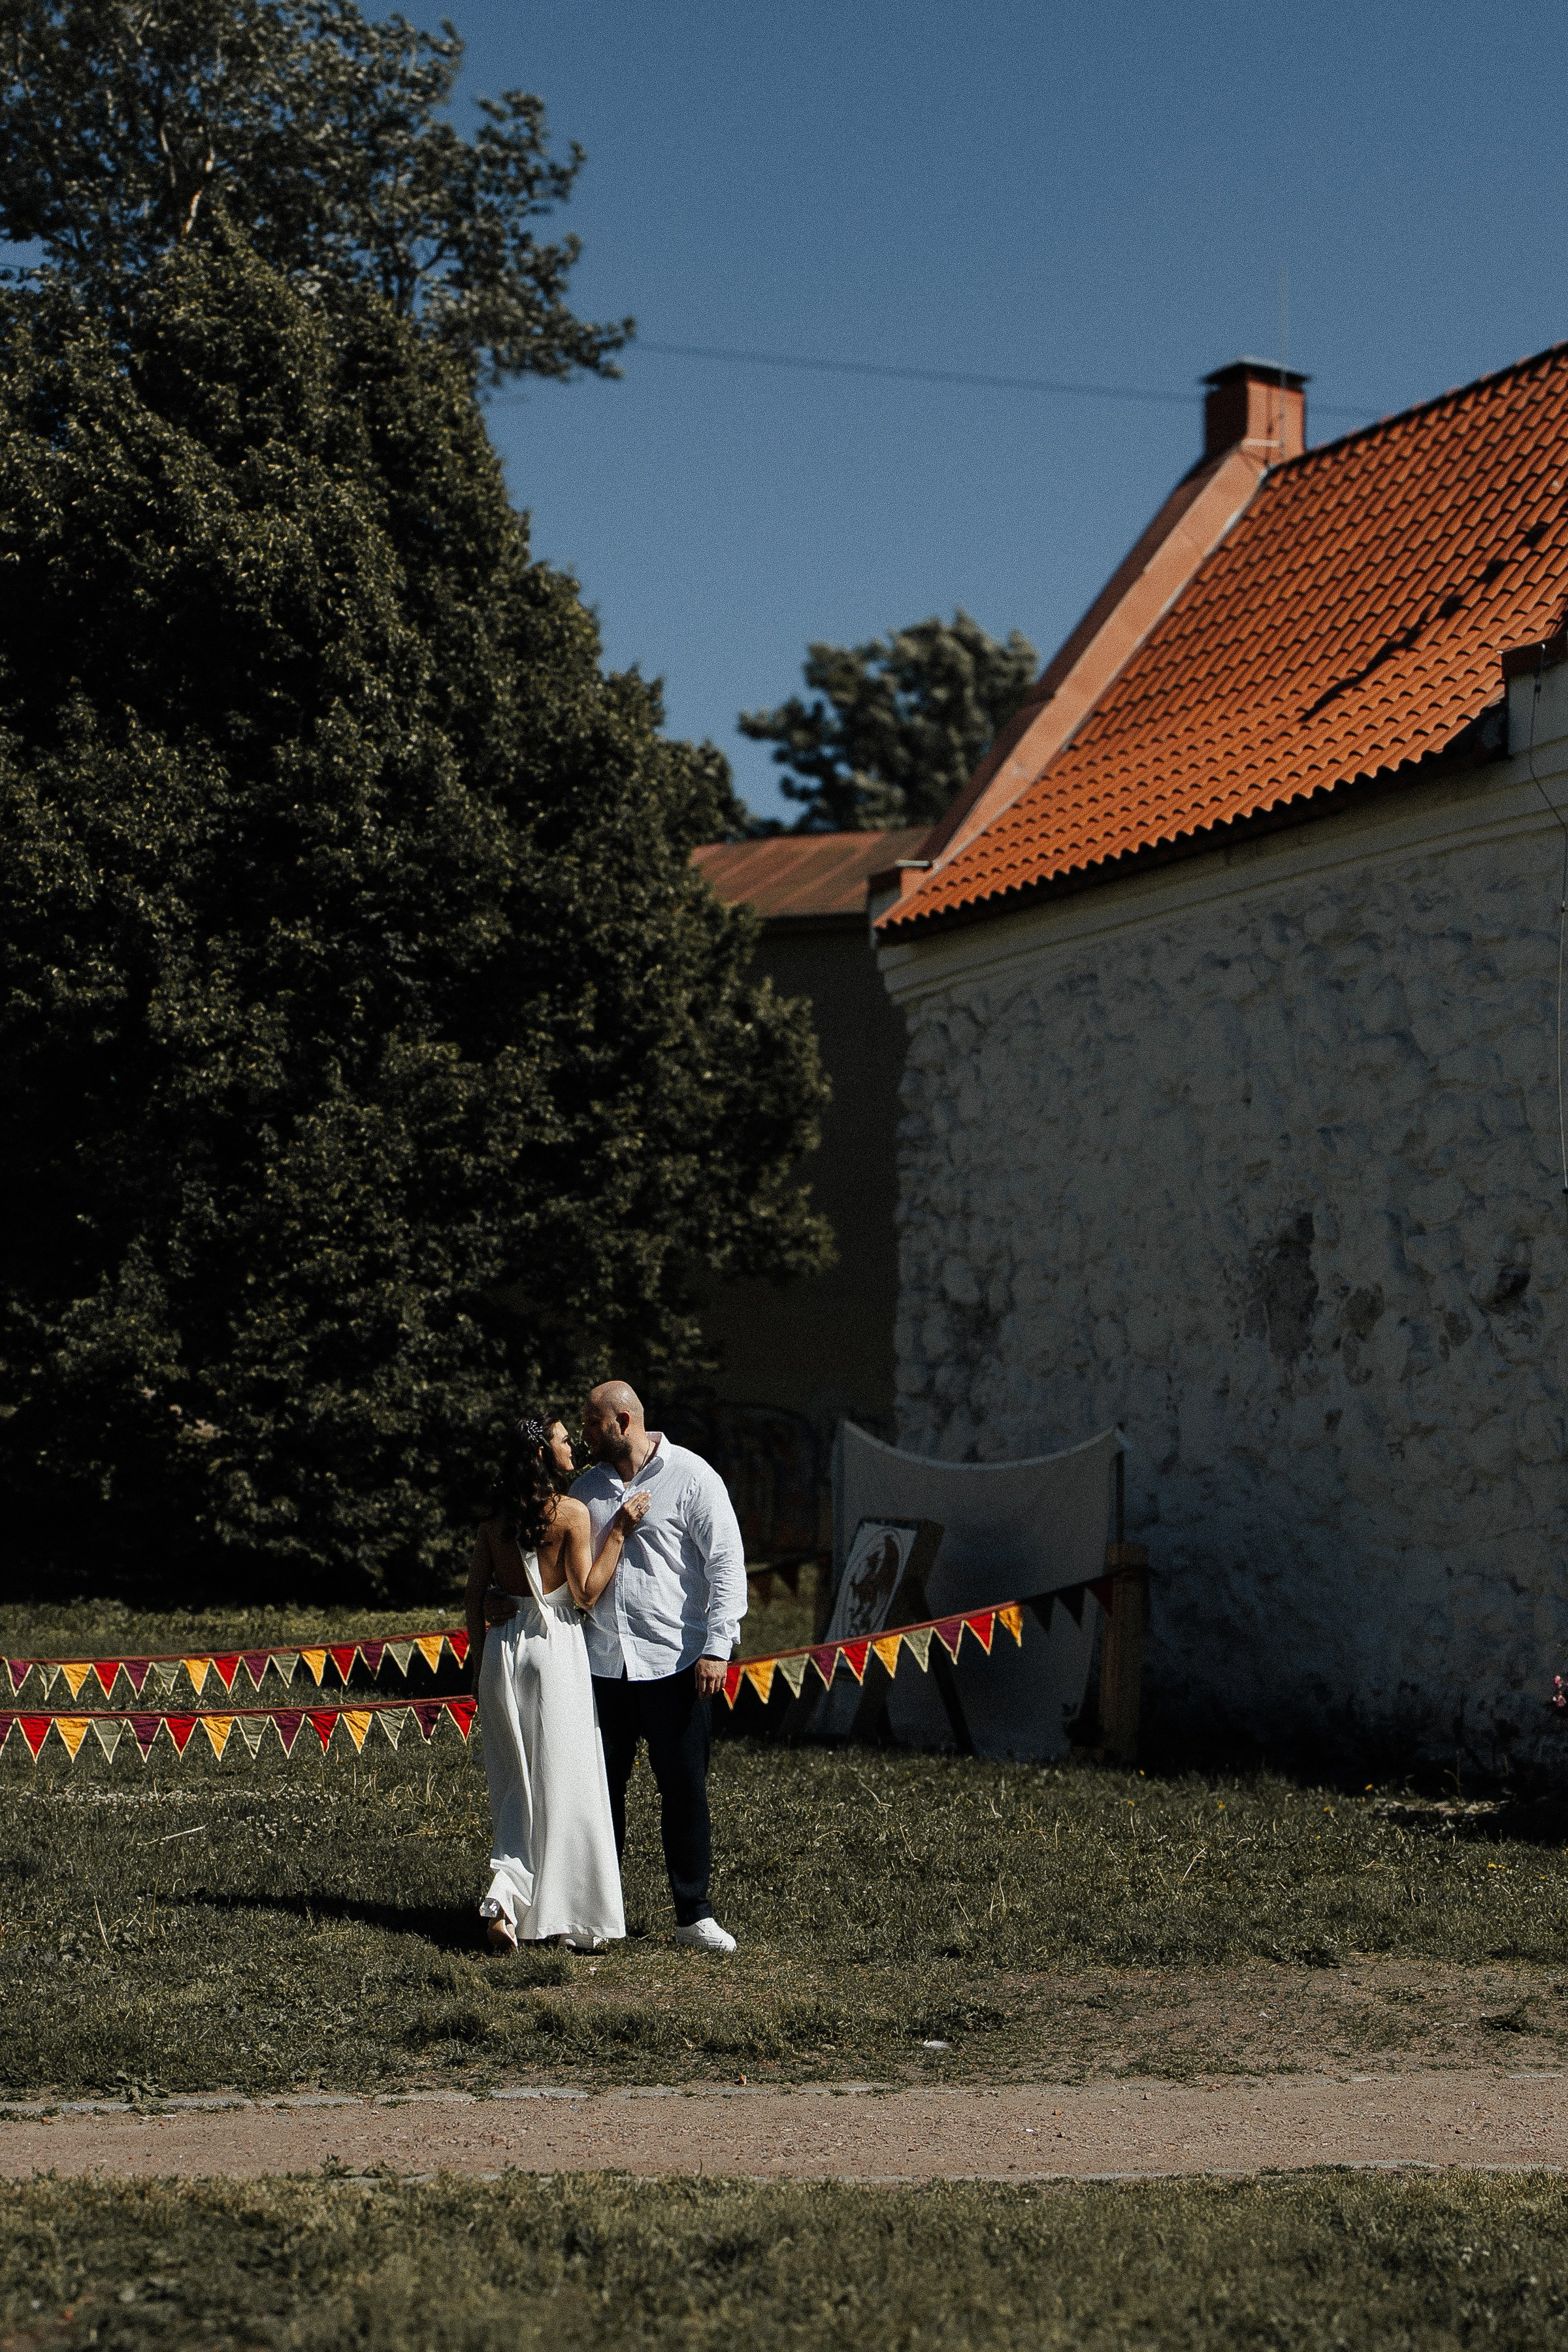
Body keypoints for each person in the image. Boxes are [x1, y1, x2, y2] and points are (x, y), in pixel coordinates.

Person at [487, 1380, 747, 1952]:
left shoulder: (694, 1477)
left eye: (591, 1423)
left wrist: (717, 1648)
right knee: (596, 1792)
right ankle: (596, 1912)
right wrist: (500, 1599)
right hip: (597, 1665)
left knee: (684, 1787)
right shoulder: (585, 1490)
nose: (583, 1434)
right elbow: (546, 1569)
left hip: (675, 1659)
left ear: (622, 1422)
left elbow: (726, 1563)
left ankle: (693, 1913)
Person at [466, 1413, 648, 1954]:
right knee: (565, 1785)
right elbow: (586, 1594)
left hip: (503, 1653)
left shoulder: (494, 1521)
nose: (573, 1447)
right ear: (544, 1453)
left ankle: (505, 1899)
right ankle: (569, 1917)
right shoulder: (569, 1514)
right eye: (565, 1440)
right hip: (554, 1649)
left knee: (514, 1786)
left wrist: (482, 1667)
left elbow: (475, 1598)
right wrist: (619, 1528)